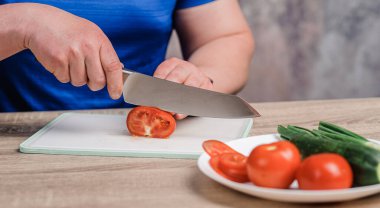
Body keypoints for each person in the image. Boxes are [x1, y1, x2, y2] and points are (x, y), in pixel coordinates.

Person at [0, 0, 254, 119]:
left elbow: (224, 36)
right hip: (15, 137)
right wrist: (23, 22)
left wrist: (200, 76)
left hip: (149, 136)